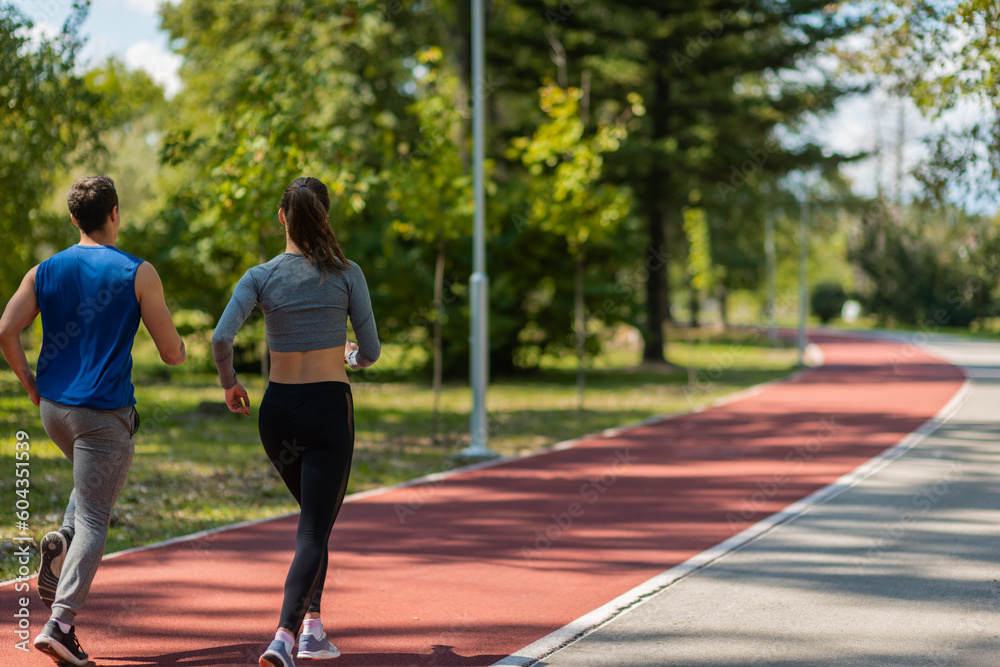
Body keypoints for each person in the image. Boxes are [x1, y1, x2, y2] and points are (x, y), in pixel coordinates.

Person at [0, 175, 187, 666]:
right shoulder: (138, 271)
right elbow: (170, 353)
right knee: (96, 519)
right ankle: (61, 624)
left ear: (73, 218)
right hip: (103, 416)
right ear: (115, 213)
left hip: (53, 411)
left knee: (89, 494)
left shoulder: (43, 270)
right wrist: (185, 347)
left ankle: (61, 541)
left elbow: (6, 328)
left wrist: (29, 384)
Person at [211, 176, 380, 667]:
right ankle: (285, 636)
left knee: (315, 519)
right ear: (324, 217)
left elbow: (222, 339)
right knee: (313, 528)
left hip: (277, 412)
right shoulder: (348, 274)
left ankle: (313, 626)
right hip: (328, 408)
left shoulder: (259, 276)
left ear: (281, 218)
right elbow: (369, 351)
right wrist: (350, 355)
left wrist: (230, 383)